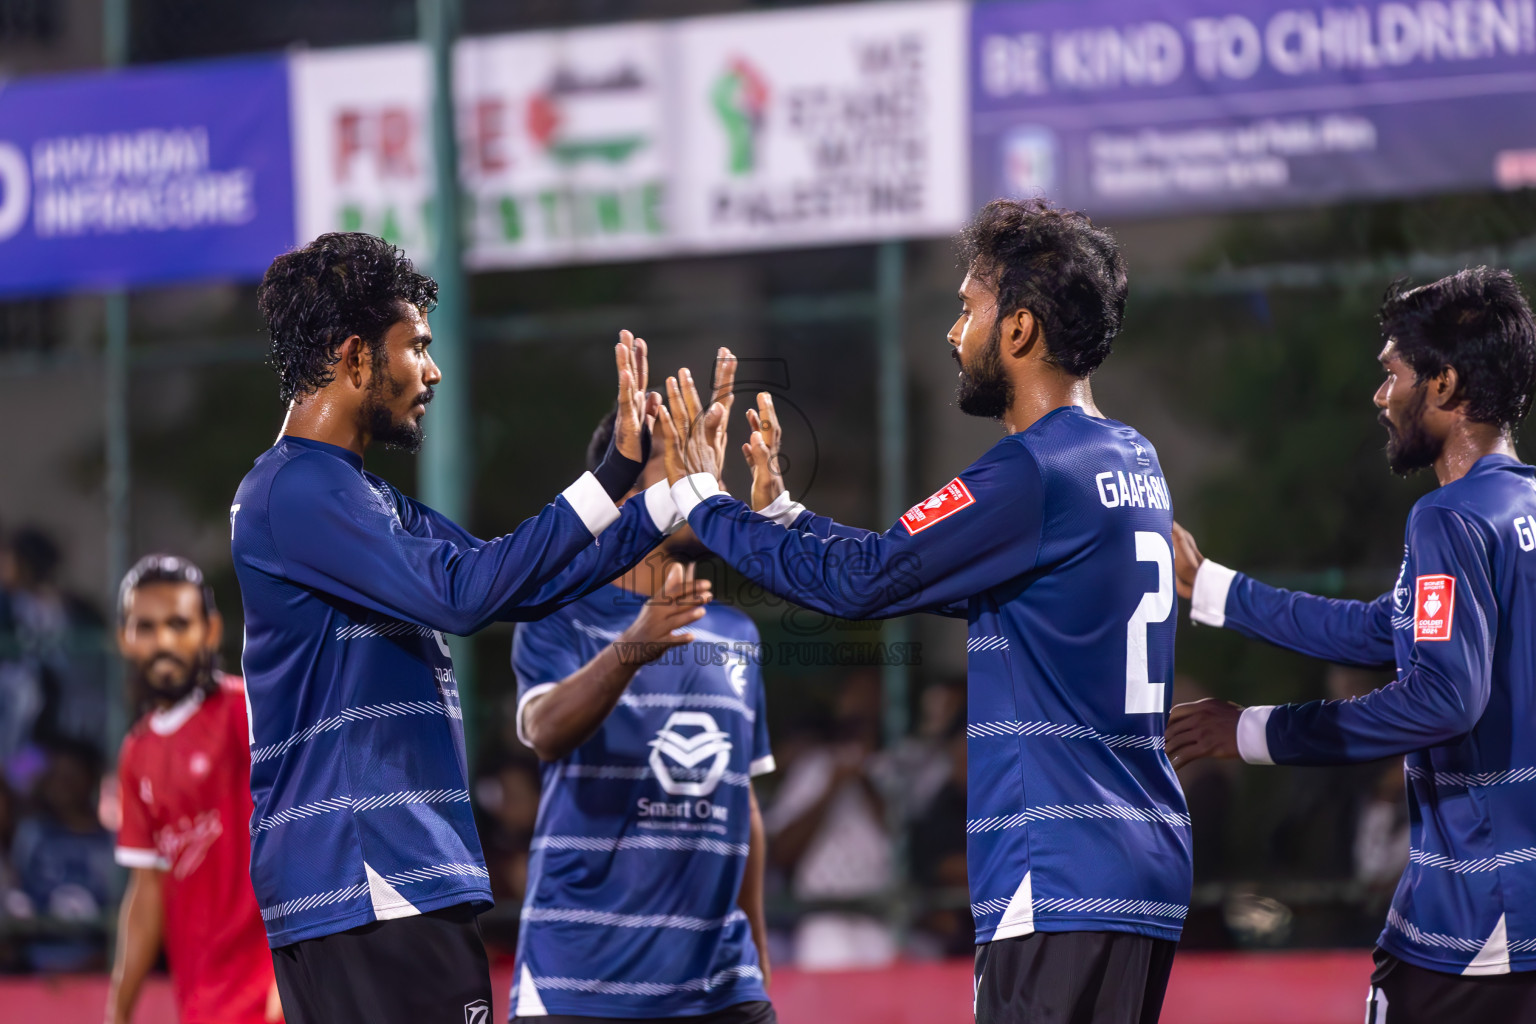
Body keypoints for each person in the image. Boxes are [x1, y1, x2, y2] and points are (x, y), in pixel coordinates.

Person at [656, 198, 1190, 1024]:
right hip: (1137, 866)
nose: (954, 332)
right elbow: (913, 573)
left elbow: (862, 584)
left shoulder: (1030, 472)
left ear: (1018, 331)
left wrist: (703, 500)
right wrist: (788, 521)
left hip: (1054, 871)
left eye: (968, 306)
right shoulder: (1129, 458)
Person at [232, 233, 689, 1024]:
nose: (432, 372)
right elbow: (465, 597)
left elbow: (518, 582)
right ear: (354, 357)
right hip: (367, 869)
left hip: (389, 875)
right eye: (416, 348)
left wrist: (650, 494)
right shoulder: (297, 491)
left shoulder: (355, 496)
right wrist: (605, 479)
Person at [1165, 267, 1536, 1023]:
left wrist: (1252, 731)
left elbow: (1440, 698)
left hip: (1479, 914)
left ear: (1444, 384)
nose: (1380, 396)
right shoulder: (1520, 508)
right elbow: (1379, 630)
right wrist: (1215, 590)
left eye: (1392, 372)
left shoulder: (1450, 519)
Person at [509, 398, 777, 1022]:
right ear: (629, 496)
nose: (707, 485)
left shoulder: (735, 634)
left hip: (721, 986)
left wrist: (758, 956)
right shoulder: (558, 614)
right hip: (581, 981)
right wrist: (633, 649)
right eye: (685, 468)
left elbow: (743, 803)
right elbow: (544, 732)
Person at [105, 554, 280, 1024]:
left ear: (211, 630)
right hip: (202, 1006)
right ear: (124, 637)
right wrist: (118, 1012)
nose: (163, 641)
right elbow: (146, 892)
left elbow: (324, 824)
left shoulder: (250, 712)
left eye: (179, 623)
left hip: (278, 998)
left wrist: (297, 969)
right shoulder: (135, 754)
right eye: (146, 626)